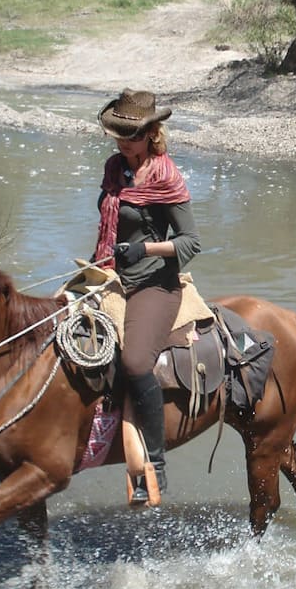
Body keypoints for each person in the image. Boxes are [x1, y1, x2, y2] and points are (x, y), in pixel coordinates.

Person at [94, 90, 202, 505]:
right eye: (118, 134)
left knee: (136, 361)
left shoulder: (166, 176)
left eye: (131, 135)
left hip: (155, 283)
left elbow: (191, 242)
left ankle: (155, 464)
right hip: (108, 273)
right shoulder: (113, 169)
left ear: (151, 133)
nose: (122, 143)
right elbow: (108, 224)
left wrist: (145, 249)